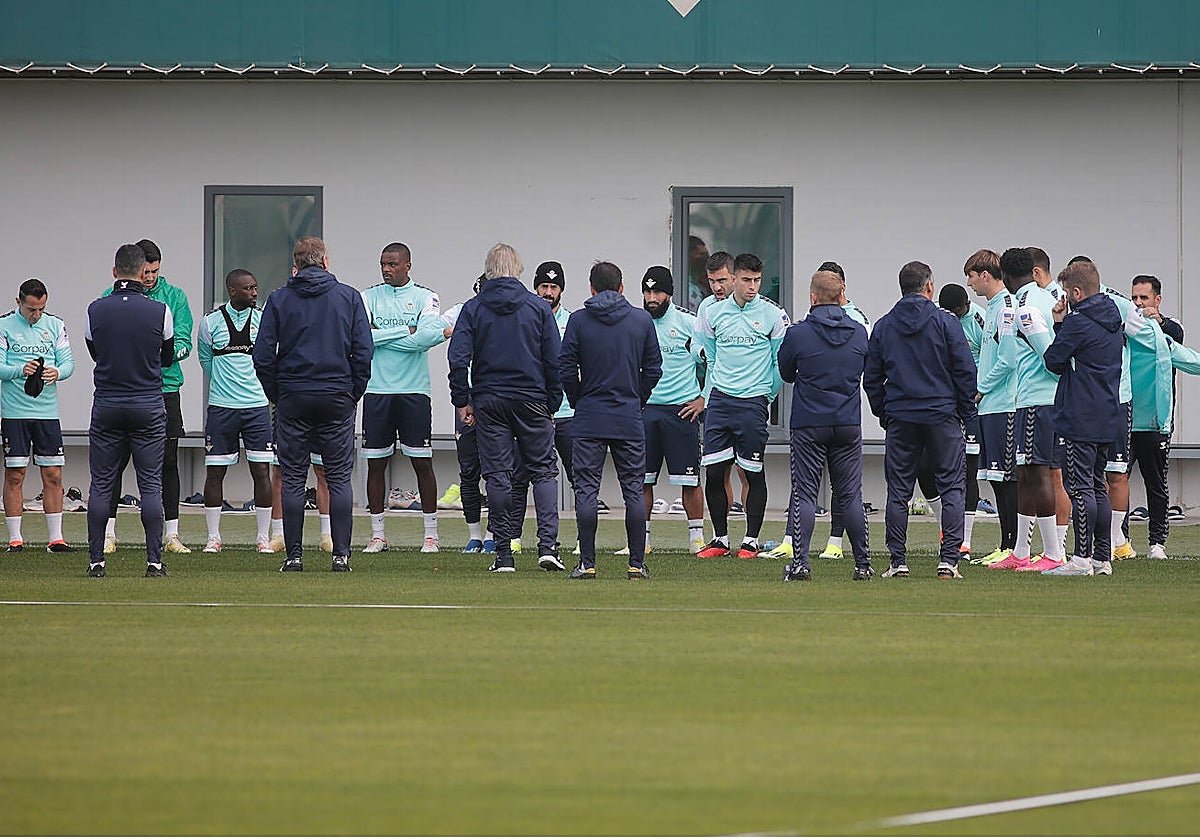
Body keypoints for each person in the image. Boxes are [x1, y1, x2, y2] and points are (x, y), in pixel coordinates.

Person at [253, 236, 373, 573]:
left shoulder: (279, 299)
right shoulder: (348, 297)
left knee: (291, 476)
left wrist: (276, 392)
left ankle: (294, 556)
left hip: (293, 395)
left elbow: (263, 355)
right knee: (337, 477)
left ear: (297, 263)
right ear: (325, 261)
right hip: (337, 395)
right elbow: (363, 352)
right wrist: (353, 392)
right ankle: (341, 555)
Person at [447, 243, 562, 574]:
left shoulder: (474, 307)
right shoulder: (538, 308)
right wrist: (553, 400)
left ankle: (503, 554)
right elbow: (554, 360)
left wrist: (462, 399)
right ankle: (547, 546)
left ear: (488, 270)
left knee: (497, 475)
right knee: (543, 471)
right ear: (518, 270)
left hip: (490, 399)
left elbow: (457, 357)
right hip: (532, 399)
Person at [864, 261, 977, 579]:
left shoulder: (884, 325)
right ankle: (949, 561)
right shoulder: (946, 322)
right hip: (942, 415)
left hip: (902, 416)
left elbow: (872, 377)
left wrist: (883, 412)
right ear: (929, 287)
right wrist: (966, 412)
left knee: (898, 491)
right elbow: (965, 371)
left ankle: (898, 561)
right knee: (952, 486)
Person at [559, 261, 661, 579]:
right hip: (628, 416)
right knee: (633, 490)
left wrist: (578, 399)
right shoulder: (641, 320)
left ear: (591, 288)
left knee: (586, 491)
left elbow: (565, 368)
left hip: (589, 416)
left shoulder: (578, 320)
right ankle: (636, 563)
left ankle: (587, 563)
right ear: (621, 287)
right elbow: (654, 369)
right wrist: (637, 398)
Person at [83, 244, 175, 577]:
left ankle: (96, 561)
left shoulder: (95, 309)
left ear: (114, 272)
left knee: (101, 485)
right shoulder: (160, 310)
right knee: (150, 485)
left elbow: (95, 353)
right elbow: (166, 357)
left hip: (107, 402)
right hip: (147, 403)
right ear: (142, 273)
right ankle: (154, 561)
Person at [776, 269, 872, 581]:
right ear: (841, 296)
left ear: (813, 297)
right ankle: (863, 565)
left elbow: (787, 373)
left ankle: (801, 563)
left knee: (805, 493)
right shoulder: (859, 332)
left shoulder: (798, 333)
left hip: (808, 422)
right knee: (850, 495)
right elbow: (865, 370)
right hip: (846, 421)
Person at [101, 239, 193, 555]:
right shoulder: (108, 298)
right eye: (146, 271)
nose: (150, 277)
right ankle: (108, 534)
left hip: (165, 391)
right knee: (114, 464)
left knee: (167, 462)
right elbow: (100, 345)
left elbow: (184, 343)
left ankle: (172, 535)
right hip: (123, 390)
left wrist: (157, 357)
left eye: (155, 271)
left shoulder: (175, 298)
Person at [695, 253, 789, 558]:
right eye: (747, 280)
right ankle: (720, 539)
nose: (752, 286)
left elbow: (780, 363)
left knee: (753, 472)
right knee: (714, 471)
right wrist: (714, 391)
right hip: (720, 401)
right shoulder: (713, 314)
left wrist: (766, 396)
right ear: (734, 278)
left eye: (757, 280)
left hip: (753, 403)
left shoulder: (774, 315)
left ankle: (750, 540)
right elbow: (708, 355)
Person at [360, 243, 447, 554]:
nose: (386, 269)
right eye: (383, 263)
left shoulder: (426, 296)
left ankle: (431, 535)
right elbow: (362, 339)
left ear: (408, 265)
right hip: (377, 391)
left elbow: (425, 339)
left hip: (414, 392)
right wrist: (405, 331)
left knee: (422, 464)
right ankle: (378, 535)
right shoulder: (367, 296)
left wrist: (386, 336)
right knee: (375, 465)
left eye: (393, 264)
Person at [1042, 260, 1124, 576]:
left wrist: (1060, 323)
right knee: (1097, 485)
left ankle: (1081, 559)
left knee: (1080, 488)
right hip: (1107, 411)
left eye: (1066, 292)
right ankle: (1102, 558)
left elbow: (1053, 360)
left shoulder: (1078, 323)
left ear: (1076, 292)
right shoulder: (1113, 318)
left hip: (1079, 414)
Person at [993, 247, 1066, 571]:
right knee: (1024, 474)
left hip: (1039, 400)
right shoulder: (1040, 299)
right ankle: (1021, 551)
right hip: (1029, 400)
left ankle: (1052, 554)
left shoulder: (1026, 308)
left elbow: (1052, 359)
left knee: (1039, 474)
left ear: (1006, 277)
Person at [196, 269, 273, 553]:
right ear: (232, 290)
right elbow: (205, 358)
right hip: (222, 407)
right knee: (215, 472)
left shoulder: (265, 319)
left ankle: (263, 538)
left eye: (255, 287)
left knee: (261, 471)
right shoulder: (210, 322)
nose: (254, 292)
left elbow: (273, 356)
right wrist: (223, 385)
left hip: (257, 407)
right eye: (249, 288)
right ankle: (213, 538)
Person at [0, 278, 76, 552]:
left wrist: (57, 372)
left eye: (41, 309)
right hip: (15, 413)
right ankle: (15, 539)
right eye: (32, 309)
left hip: (47, 412)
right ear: (18, 302)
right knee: (16, 474)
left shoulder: (55, 325)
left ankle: (56, 539)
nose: (37, 315)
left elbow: (68, 363)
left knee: (54, 474)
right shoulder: (4, 325)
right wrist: (21, 370)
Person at [639, 266, 706, 555]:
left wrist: (704, 398)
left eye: (657, 292)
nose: (652, 298)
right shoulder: (636, 323)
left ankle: (696, 540)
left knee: (690, 481)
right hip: (646, 411)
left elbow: (711, 363)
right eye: (647, 291)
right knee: (641, 479)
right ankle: (642, 540)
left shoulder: (690, 323)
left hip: (682, 411)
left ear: (670, 293)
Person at [964, 249, 1020, 566]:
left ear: (985, 275)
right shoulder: (993, 308)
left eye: (971, 276)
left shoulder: (1005, 309)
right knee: (997, 477)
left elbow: (1009, 359)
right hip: (990, 405)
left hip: (1003, 404)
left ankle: (1011, 547)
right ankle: (1005, 545)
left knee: (1007, 478)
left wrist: (981, 388)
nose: (970, 284)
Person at [1128, 274, 1183, 560]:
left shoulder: (1169, 328)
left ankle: (1157, 543)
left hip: (1156, 421)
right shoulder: (1129, 328)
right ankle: (1118, 539)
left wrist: (1158, 321)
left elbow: (1178, 337)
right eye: (1134, 298)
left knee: (1156, 482)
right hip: (1125, 417)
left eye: (1144, 298)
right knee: (1116, 480)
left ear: (1157, 300)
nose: (1138, 304)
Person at [937, 281, 984, 561]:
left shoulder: (979, 318)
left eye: (961, 310)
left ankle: (964, 541)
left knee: (970, 469)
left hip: (975, 404)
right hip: (946, 407)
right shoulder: (941, 321)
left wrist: (979, 391)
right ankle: (947, 534)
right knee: (939, 468)